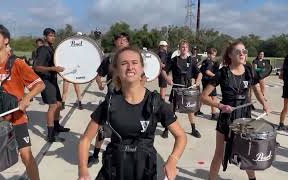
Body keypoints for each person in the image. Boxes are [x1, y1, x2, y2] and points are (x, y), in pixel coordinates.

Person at [78, 47, 187, 180]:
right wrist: (83, 171)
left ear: (142, 68)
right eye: (124, 64)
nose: (130, 67)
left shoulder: (155, 102)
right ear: (116, 71)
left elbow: (181, 136)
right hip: (113, 171)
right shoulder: (110, 102)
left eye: (135, 63)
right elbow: (85, 139)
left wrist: (173, 160)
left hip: (144, 173)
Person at [201, 41, 269, 180]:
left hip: (245, 118)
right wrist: (220, 106)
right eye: (239, 52)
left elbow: (256, 90)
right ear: (230, 55)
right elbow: (203, 97)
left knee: (247, 152)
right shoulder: (222, 73)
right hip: (227, 118)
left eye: (244, 51)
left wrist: (264, 103)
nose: (242, 54)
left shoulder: (249, 70)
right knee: (219, 154)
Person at [0, 23, 45, 180]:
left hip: (17, 119)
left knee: (26, 155)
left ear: (6, 40)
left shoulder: (17, 63)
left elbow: (39, 84)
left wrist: (27, 97)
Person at [87, 32, 130, 167]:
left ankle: (125, 154)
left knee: (126, 129)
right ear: (115, 43)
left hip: (128, 100)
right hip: (111, 99)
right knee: (101, 129)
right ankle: (95, 155)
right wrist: (100, 84)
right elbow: (99, 74)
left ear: (128, 43)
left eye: (125, 40)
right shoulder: (110, 59)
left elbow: (143, 77)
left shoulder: (133, 59)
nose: (122, 42)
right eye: (119, 39)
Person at [33, 28, 70, 143]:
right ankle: (50, 135)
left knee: (59, 104)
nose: (52, 37)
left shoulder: (51, 48)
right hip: (46, 81)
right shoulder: (43, 49)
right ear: (45, 37)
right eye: (50, 35)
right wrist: (53, 69)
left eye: (54, 35)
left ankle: (57, 126)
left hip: (52, 80)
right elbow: (37, 67)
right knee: (53, 106)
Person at [161, 39, 202, 138]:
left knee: (191, 110)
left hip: (188, 89)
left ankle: (193, 129)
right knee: (171, 110)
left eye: (186, 47)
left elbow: (199, 73)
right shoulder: (174, 60)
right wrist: (167, 79)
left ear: (188, 49)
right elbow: (163, 71)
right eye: (182, 47)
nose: (184, 49)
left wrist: (197, 82)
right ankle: (166, 129)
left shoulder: (191, 60)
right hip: (176, 89)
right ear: (179, 48)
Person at [196, 48, 219, 119]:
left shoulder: (205, 61)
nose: (214, 56)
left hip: (205, 80)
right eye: (212, 55)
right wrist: (216, 76)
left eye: (215, 55)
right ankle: (214, 114)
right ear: (208, 54)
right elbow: (207, 71)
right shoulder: (209, 62)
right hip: (209, 81)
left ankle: (197, 110)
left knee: (204, 97)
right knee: (213, 98)